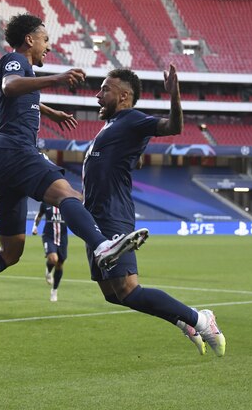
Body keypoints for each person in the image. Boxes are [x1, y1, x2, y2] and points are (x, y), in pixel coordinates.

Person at [0, 13, 147, 343]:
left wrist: (49, 112)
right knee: (69, 196)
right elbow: (11, 87)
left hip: (1, 161)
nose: (49, 45)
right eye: (46, 39)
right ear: (30, 40)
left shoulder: (22, 70)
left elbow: (15, 97)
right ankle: (102, 246)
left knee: (10, 251)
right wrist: (58, 78)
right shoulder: (16, 61)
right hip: (17, 151)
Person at [81, 66, 226, 357]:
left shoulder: (132, 118)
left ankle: (200, 318)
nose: (98, 96)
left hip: (113, 214)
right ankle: (183, 321)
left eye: (104, 90)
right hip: (94, 219)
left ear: (124, 96)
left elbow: (173, 126)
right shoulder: (111, 125)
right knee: (112, 295)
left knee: (129, 288)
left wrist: (175, 96)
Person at [32, 202, 67, 302]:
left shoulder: (66, 203)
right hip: (48, 236)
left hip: (62, 238)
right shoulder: (45, 203)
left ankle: (54, 290)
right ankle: (48, 270)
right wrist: (35, 227)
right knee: (53, 258)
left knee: (60, 264)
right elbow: (39, 215)